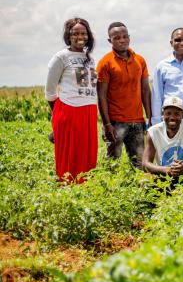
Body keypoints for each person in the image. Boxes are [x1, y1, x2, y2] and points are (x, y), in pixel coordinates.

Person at [45, 17, 98, 183]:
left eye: (83, 33)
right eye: (75, 33)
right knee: (70, 157)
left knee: (87, 155)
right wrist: (59, 116)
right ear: (68, 36)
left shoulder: (89, 58)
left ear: (88, 36)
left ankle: (84, 192)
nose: (79, 36)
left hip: (88, 111)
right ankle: (68, 193)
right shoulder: (61, 57)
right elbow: (50, 91)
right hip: (69, 110)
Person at [96, 22, 152, 168]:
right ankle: (110, 190)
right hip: (115, 122)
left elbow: (145, 90)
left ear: (129, 37)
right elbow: (101, 96)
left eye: (125, 36)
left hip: (138, 121)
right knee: (112, 162)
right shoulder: (105, 63)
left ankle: (137, 190)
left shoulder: (139, 60)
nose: (122, 40)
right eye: (117, 38)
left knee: (139, 163)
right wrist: (107, 124)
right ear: (110, 41)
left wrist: (150, 116)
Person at [143, 96, 183, 177]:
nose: (172, 117)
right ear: (162, 114)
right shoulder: (153, 132)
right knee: (145, 180)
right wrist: (168, 170)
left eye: (177, 114)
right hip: (163, 175)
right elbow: (145, 164)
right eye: (168, 113)